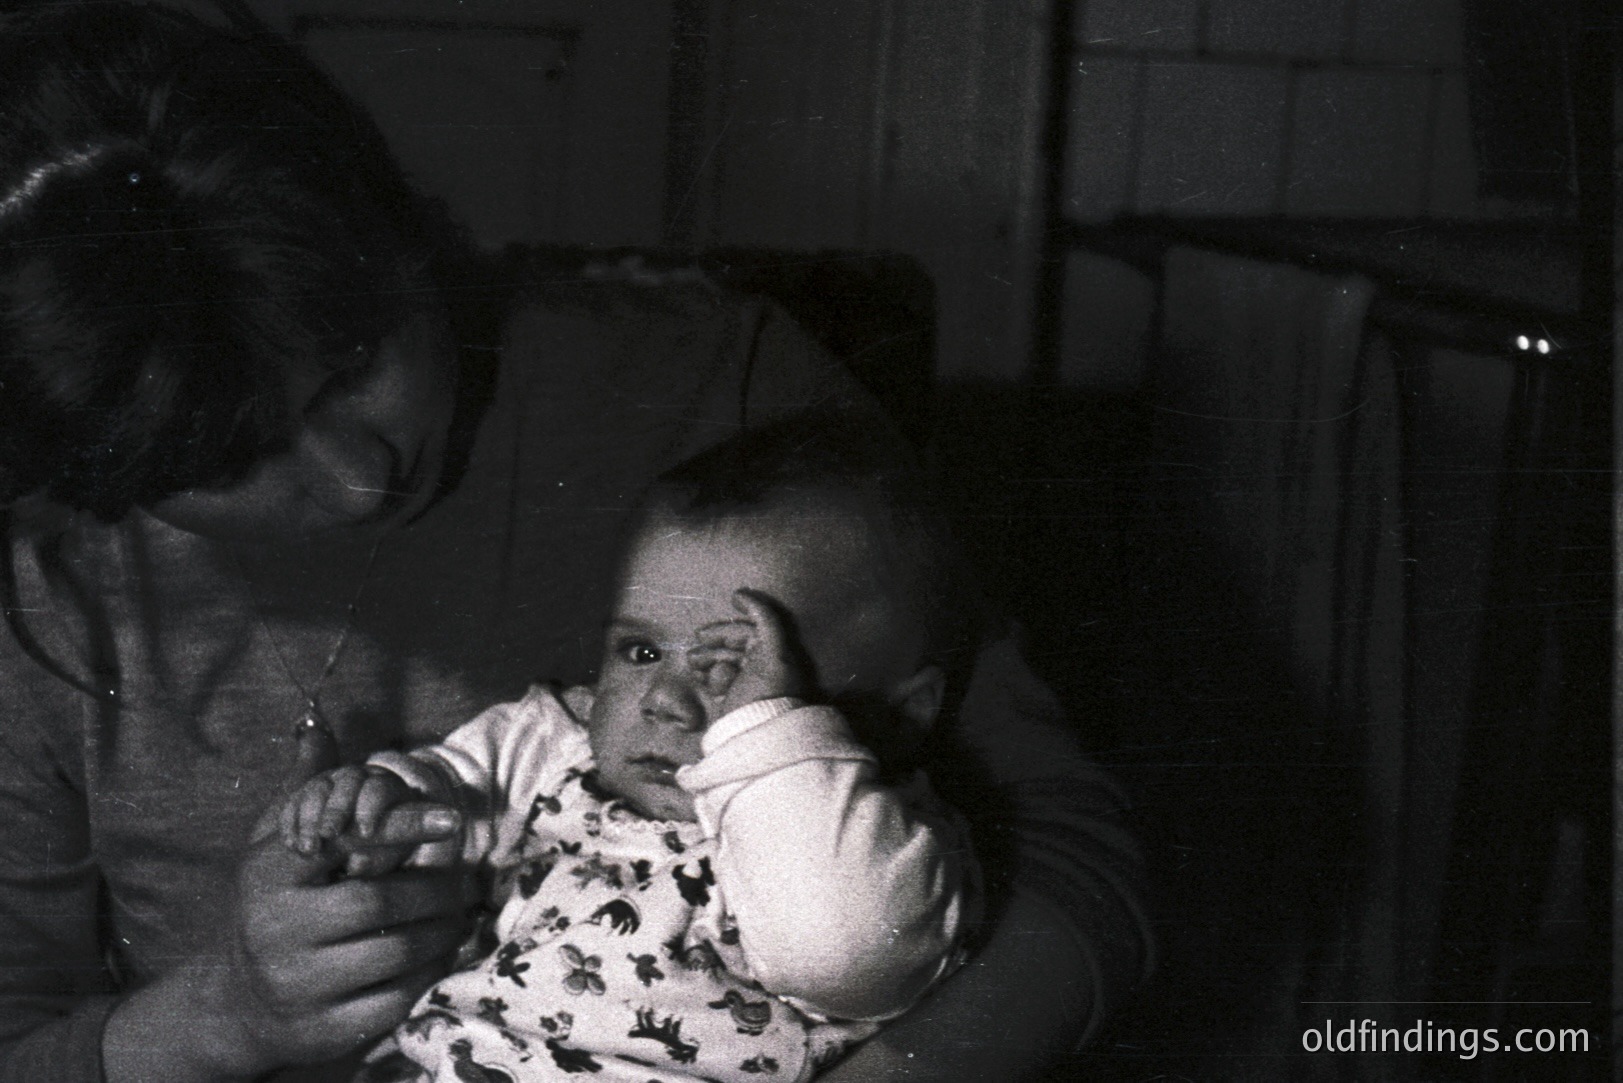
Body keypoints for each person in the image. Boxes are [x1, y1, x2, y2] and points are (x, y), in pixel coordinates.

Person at [0, 5, 1150, 1082]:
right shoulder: (42, 588)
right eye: (234, 458)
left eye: (355, 359)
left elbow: (1076, 864)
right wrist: (222, 1015)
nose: (360, 477)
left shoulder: (716, 386)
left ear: (408, 231)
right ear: (97, 483)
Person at [282, 416, 981, 1081]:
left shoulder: (877, 854)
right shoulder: (560, 744)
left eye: (733, 667)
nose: (664, 699)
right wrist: (385, 802)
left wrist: (764, 743)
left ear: (902, 713)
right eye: (641, 650)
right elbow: (457, 790)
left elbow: (840, 958)